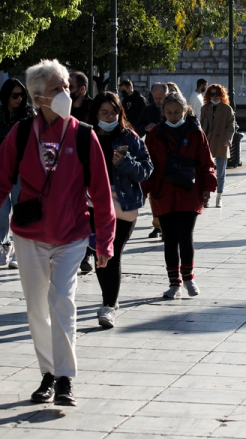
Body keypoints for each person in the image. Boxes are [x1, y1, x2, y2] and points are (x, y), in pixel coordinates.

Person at [0, 59, 115, 407]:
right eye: (57, 89)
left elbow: (101, 192)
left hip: (71, 236)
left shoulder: (84, 135)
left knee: (63, 303)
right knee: (37, 308)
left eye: (67, 86)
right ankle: (48, 374)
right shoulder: (22, 133)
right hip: (29, 235)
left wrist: (105, 241)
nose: (66, 93)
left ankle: (66, 377)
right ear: (39, 97)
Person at [141, 92, 217, 299]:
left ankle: (188, 278)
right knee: (169, 238)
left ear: (185, 110)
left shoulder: (196, 132)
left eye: (176, 111)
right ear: (162, 113)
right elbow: (147, 165)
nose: (173, 116)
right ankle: (174, 282)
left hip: (189, 191)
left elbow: (206, 161)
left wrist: (208, 187)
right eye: (168, 112)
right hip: (162, 191)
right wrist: (143, 190)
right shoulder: (155, 133)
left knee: (185, 236)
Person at [87, 92, 153, 329]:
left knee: (112, 251)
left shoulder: (130, 137)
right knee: (99, 252)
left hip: (122, 203)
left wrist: (125, 163)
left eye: (113, 112)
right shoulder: (87, 136)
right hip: (91, 202)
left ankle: (108, 306)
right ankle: (109, 301)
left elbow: (146, 169)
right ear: (96, 114)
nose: (109, 116)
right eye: (104, 112)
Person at [0, 79, 37, 268]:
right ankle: (5, 245)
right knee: (2, 210)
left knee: (20, 209)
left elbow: (38, 136)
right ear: (6, 95)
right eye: (15, 95)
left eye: (22, 94)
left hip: (22, 169)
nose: (19, 98)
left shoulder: (28, 113)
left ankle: (19, 248)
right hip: (0, 167)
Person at [135, 82, 169, 239]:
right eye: (156, 98)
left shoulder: (172, 108)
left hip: (170, 155)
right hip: (152, 153)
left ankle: (168, 224)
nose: (159, 101)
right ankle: (158, 225)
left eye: (161, 98)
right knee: (154, 191)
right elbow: (137, 126)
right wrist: (145, 127)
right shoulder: (148, 110)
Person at [200, 83, 235, 208]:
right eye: (212, 94)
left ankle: (219, 197)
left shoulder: (227, 109)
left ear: (222, 95)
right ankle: (206, 197)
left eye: (218, 94)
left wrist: (228, 139)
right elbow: (201, 126)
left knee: (221, 173)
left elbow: (231, 126)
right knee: (207, 172)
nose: (215, 97)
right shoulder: (205, 108)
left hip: (221, 143)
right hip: (208, 143)